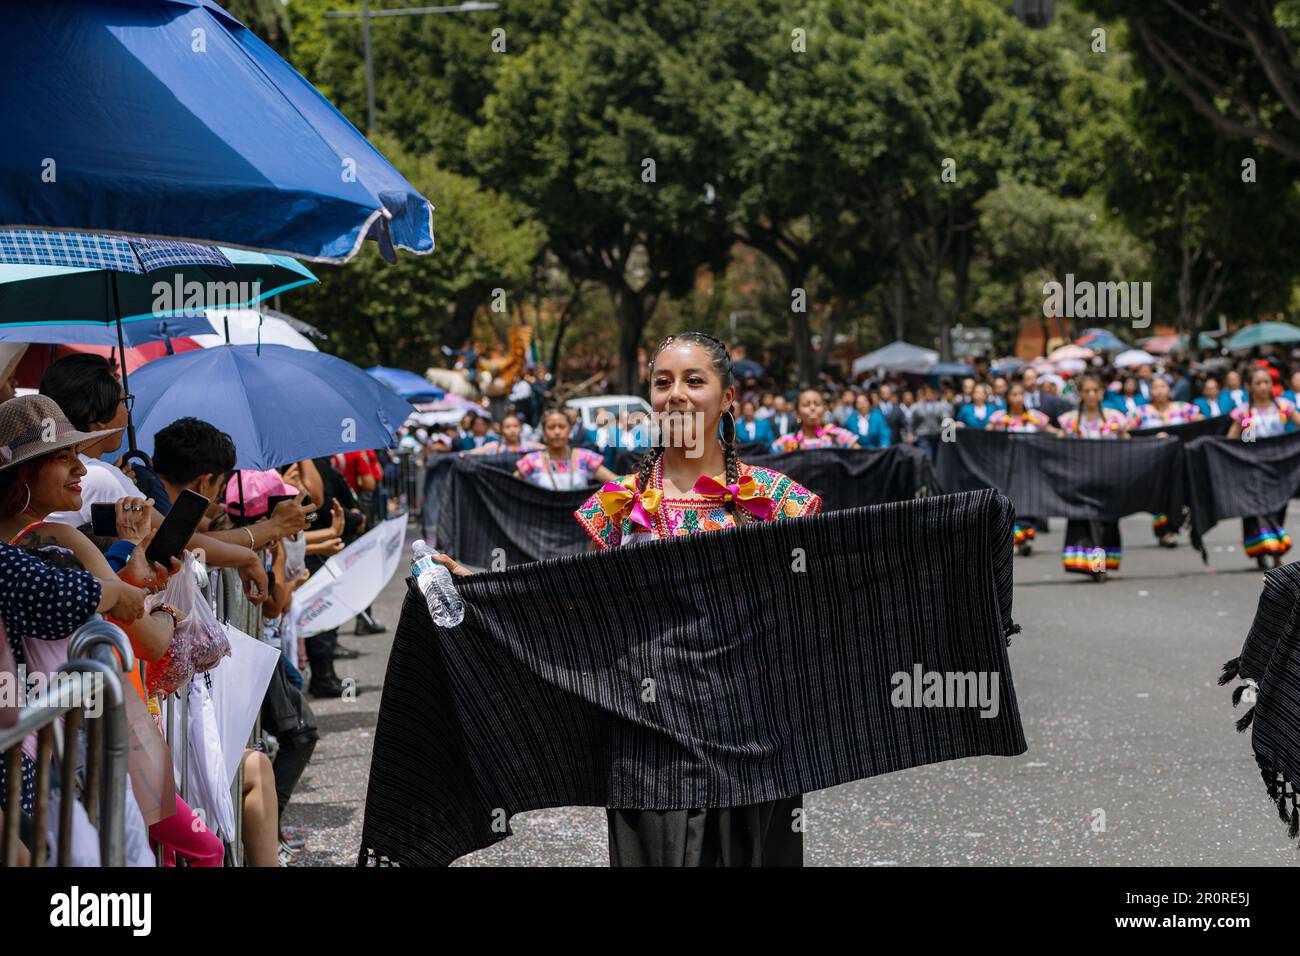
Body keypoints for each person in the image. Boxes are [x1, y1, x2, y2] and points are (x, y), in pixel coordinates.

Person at [434, 331, 822, 866]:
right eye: (663, 383)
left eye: (695, 380)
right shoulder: (617, 506)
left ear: (728, 398)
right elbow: (571, 601)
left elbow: (825, 605)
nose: (677, 395)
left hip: (753, 744)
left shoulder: (778, 502)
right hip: (649, 746)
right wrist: (474, 586)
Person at [1056, 375, 1129, 582]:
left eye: (1094, 391)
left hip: (1109, 479)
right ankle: (1097, 567)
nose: (1090, 395)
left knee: (1107, 524)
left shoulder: (1115, 417)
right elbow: (1057, 447)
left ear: (1101, 393)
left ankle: (1103, 564)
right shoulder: (1070, 420)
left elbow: (1129, 445)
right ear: (1080, 394)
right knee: (1088, 524)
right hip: (1080, 481)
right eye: (1086, 391)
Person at [1227, 366, 1300, 568]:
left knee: (1279, 508)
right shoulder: (1244, 411)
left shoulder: (1283, 405)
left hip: (1280, 465)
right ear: (1250, 387)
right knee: (1259, 508)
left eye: (1266, 382)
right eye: (1258, 383)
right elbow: (1232, 439)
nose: (1263, 387)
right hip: (1254, 467)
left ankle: (1273, 547)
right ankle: (1271, 550)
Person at [1127, 376, 1202, 548]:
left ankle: (1184, 525)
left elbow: (1203, 423)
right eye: (1155, 387)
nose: (1159, 391)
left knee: (1183, 495)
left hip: (1181, 462)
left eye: (1163, 386)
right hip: (1155, 465)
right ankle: (1164, 531)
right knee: (1161, 497)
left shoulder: (1185, 408)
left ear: (1170, 390)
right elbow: (1128, 432)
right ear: (1150, 391)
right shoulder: (1140, 412)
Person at [987, 383, 1059, 555]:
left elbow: (1052, 431)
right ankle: (1015, 538)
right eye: (1014, 395)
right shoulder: (999, 418)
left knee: (1028, 500)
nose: (1018, 398)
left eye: (1021, 394)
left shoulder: (1035, 417)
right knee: (1010, 502)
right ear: (1008, 399)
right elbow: (985, 436)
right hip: (1007, 469)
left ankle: (1024, 538)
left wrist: (1066, 434)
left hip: (1030, 468)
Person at [515, 408, 618, 491]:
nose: (557, 432)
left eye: (562, 426)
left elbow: (616, 481)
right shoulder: (531, 460)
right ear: (544, 432)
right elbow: (508, 485)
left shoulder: (584, 457)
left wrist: (632, 482)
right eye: (551, 427)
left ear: (569, 430)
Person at [769, 389, 860, 453]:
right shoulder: (786, 442)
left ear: (824, 410)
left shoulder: (839, 437)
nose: (812, 408)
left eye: (817, 404)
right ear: (797, 413)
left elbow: (862, 457)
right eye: (806, 405)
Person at [470, 412, 544, 456]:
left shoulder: (531, 447)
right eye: (507, 427)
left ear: (521, 429)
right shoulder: (494, 447)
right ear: (501, 430)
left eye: (515, 426)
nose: (512, 430)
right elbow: (470, 454)